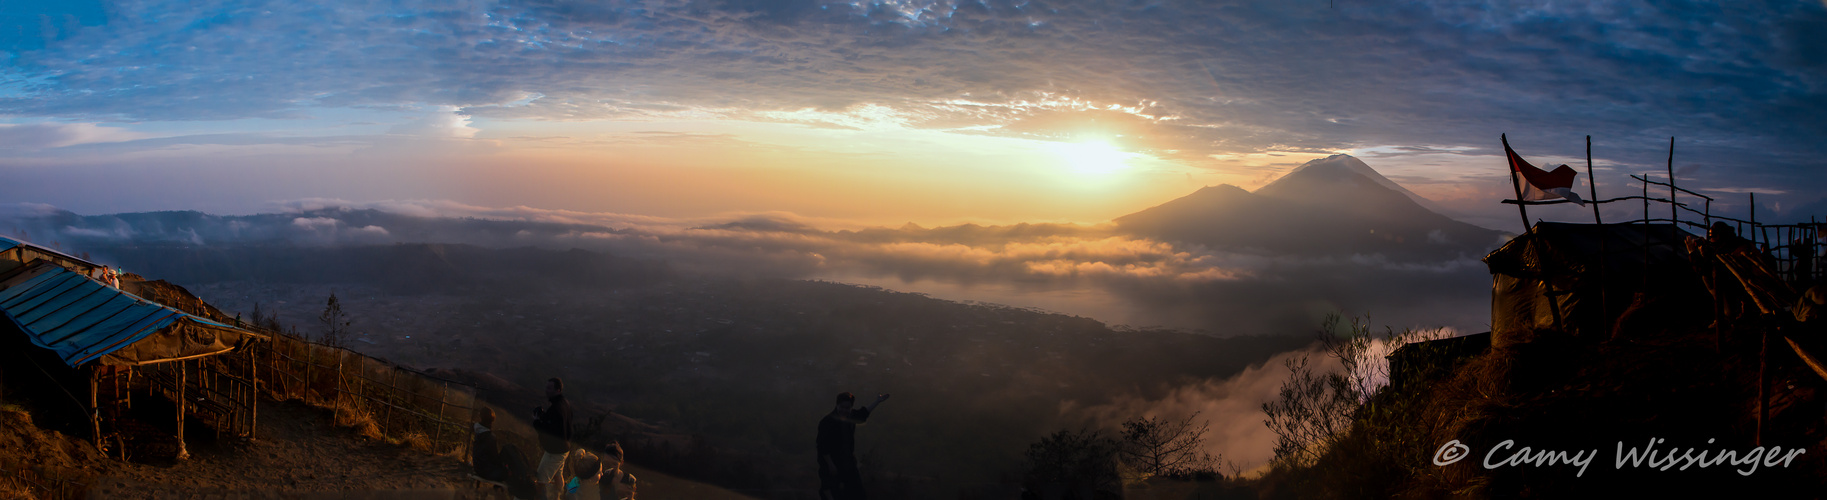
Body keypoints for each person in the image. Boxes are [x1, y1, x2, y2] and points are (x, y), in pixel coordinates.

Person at [817, 391, 889, 500]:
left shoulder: (850, 416)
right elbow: (822, 446)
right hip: (833, 463)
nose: (844, 410)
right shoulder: (827, 422)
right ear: (837, 405)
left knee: (856, 493)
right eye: (842, 407)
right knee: (832, 492)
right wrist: (831, 465)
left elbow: (863, 413)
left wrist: (877, 401)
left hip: (848, 462)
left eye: (848, 408)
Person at [473, 407, 540, 499]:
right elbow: (494, 459)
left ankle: (519, 477)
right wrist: (506, 468)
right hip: (486, 471)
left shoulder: (478, 432)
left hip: (478, 466)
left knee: (508, 450)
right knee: (510, 467)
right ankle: (522, 485)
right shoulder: (490, 437)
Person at [533, 378, 575, 500]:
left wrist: (536, 421)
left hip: (555, 451)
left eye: (549, 388)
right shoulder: (565, 403)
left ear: (558, 390)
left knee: (540, 481)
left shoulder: (555, 408)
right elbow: (559, 424)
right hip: (564, 449)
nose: (546, 390)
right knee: (558, 477)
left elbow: (548, 430)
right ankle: (559, 497)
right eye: (546, 387)